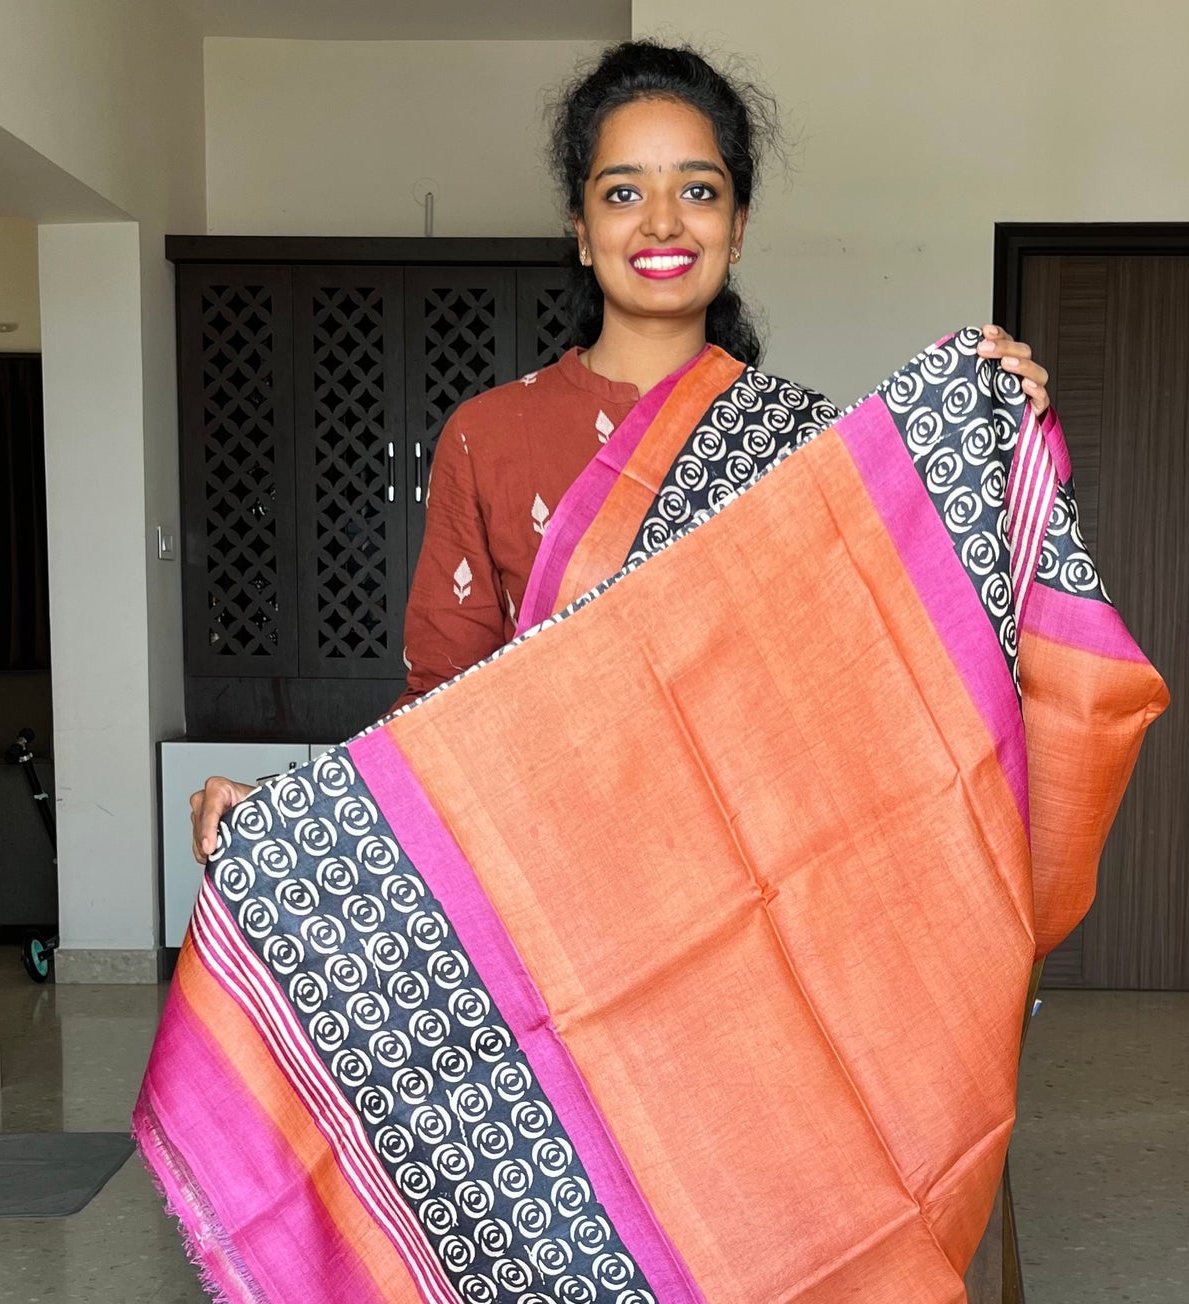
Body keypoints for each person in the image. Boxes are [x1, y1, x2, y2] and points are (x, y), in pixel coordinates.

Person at [188, 39, 1051, 861]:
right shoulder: (488, 436)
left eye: (700, 192)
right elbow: (442, 711)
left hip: (759, 895)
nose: (663, 223)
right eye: (624, 192)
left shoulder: (809, 441)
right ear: (579, 226)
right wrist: (284, 809)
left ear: (738, 225)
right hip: (556, 902)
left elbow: (885, 680)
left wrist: (1000, 456)